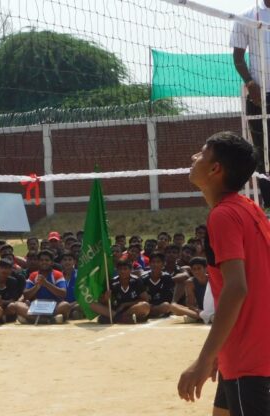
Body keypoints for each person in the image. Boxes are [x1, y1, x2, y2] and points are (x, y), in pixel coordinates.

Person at [178, 131, 270, 414]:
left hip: (248, 357)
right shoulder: (250, 209)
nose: (194, 158)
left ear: (216, 169)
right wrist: (219, 349)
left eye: (202, 154)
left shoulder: (223, 216)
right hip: (250, 347)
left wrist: (204, 359)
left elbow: (236, 288)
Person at [231, 2, 270, 207]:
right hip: (260, 95)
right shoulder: (247, 16)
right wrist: (250, 82)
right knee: (262, 152)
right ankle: (269, 201)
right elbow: (237, 57)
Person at [11, 250, 70, 324]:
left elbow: (63, 293)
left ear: (52, 262)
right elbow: (26, 295)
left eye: (47, 260)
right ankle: (49, 320)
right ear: (38, 262)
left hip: (53, 306)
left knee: (65, 305)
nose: (44, 262)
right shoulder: (33, 275)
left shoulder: (58, 274)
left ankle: (31, 319)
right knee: (17, 305)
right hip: (36, 306)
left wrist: (46, 284)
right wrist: (37, 287)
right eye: (41, 260)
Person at [90, 260, 150, 324]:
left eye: (125, 269)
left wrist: (125, 304)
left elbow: (145, 299)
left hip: (132, 309)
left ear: (130, 270)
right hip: (116, 310)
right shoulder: (112, 282)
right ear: (117, 270)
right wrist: (105, 298)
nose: (122, 271)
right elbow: (104, 302)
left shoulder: (136, 281)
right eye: (120, 269)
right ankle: (122, 318)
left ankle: (117, 318)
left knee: (145, 306)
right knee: (93, 305)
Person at [169, 257, 209, 324]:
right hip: (200, 311)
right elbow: (190, 304)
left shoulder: (212, 280)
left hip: (214, 309)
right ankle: (204, 317)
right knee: (173, 306)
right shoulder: (190, 282)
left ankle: (200, 317)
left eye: (199, 268)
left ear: (205, 269)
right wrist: (200, 311)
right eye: (194, 269)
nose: (196, 271)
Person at [141, 253, 175, 318]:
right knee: (143, 306)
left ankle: (151, 313)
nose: (155, 264)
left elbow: (168, 297)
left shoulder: (167, 278)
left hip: (161, 305)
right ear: (150, 264)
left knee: (166, 306)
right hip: (148, 305)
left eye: (158, 262)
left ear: (163, 264)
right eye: (153, 262)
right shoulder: (143, 278)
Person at [60, 253, 83, 320]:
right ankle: (68, 313)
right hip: (62, 305)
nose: (67, 262)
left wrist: (68, 306)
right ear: (61, 262)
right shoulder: (57, 276)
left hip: (76, 304)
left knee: (81, 305)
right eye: (65, 260)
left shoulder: (80, 275)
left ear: (74, 262)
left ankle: (66, 313)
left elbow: (83, 297)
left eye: (70, 260)